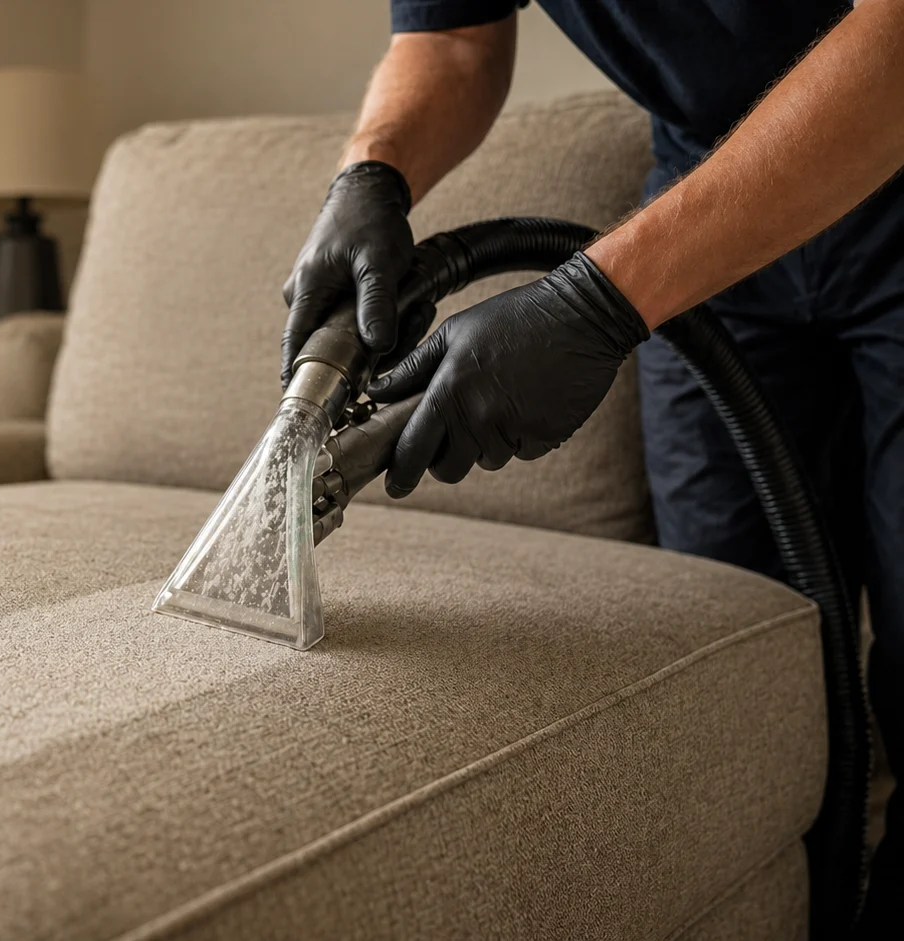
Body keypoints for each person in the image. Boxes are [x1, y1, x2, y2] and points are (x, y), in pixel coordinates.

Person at [281, 0, 904, 931]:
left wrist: (598, 301)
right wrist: (372, 172)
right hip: (714, 212)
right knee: (741, 665)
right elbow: (452, 39)